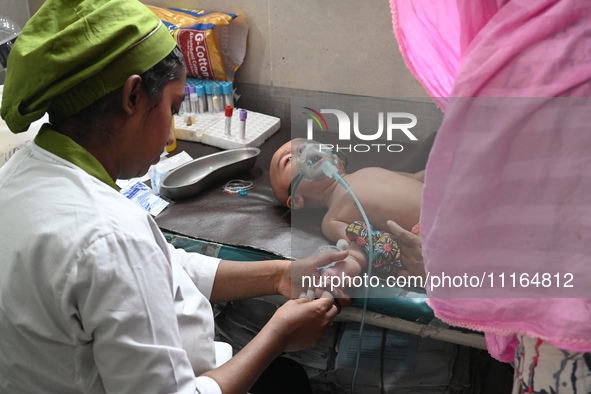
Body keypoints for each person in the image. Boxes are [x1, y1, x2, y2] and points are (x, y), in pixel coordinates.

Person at [0, 1, 349, 393]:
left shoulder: (18, 175)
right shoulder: (109, 236)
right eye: (172, 106)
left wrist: (280, 274)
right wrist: (278, 336)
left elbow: (162, 265)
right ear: (133, 96)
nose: (171, 137)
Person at [389, 0, 591, 392]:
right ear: (298, 200)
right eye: (286, 164)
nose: (300, 154)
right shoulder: (339, 200)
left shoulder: (520, 61)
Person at [270, 138, 426, 280]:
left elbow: (417, 178)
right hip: (427, 233)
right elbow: (363, 246)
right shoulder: (333, 219)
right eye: (288, 159)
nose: (304, 151)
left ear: (338, 160)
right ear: (296, 200)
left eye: (306, 144)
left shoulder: (369, 170)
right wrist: (341, 271)